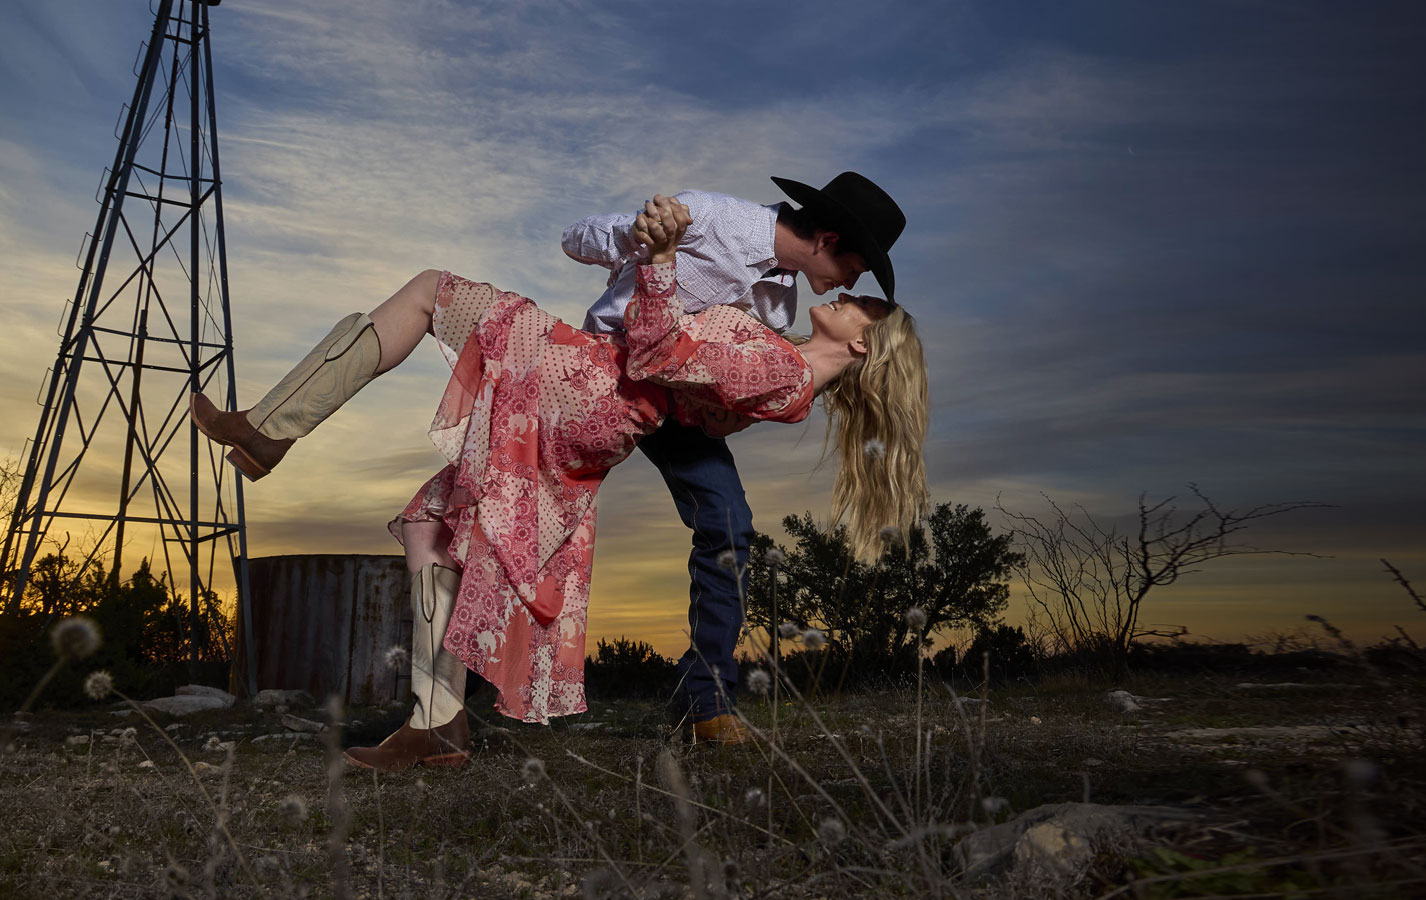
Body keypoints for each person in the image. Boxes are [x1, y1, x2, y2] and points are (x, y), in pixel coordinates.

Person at [188, 196, 928, 771]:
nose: (847, 294)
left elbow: (659, 351)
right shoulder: (785, 361)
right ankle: (436, 721)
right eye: (857, 282)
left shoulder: (780, 366)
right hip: (596, 401)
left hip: (588, 384)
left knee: (428, 292)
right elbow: (693, 390)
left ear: (862, 343)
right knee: (429, 526)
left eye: (862, 302)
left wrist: (664, 259)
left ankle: (269, 432)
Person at [558, 173, 904, 746]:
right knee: (541, 520)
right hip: (611, 374)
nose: (851, 281)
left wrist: (740, 411)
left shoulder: (778, 303)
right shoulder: (708, 216)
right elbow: (576, 239)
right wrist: (641, 236)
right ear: (828, 240)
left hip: (673, 404)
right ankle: (459, 687)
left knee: (728, 527)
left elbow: (726, 383)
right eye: (858, 267)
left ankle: (705, 704)